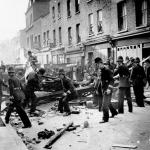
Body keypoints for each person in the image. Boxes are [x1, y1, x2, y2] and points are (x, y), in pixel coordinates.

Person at [94, 57, 118, 123]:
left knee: (104, 105)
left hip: (108, 90)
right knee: (108, 103)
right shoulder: (101, 71)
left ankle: (105, 118)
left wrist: (109, 89)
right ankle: (114, 112)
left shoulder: (107, 70)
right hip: (104, 89)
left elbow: (112, 80)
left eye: (98, 64)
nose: (97, 66)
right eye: (96, 65)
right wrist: (97, 89)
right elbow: (100, 81)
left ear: (101, 63)